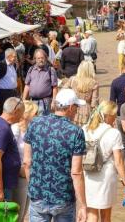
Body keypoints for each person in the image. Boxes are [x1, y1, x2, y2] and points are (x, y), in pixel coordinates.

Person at [24, 89, 88, 221]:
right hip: (63, 197)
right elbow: (76, 172)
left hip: (38, 195)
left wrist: (34, 187)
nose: (77, 110)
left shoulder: (35, 124)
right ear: (70, 107)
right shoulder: (76, 132)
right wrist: (83, 205)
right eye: (76, 107)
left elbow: (27, 162)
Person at [83, 101, 125, 222]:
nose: (115, 118)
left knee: (91, 214)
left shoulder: (84, 129)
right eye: (114, 115)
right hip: (106, 175)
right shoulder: (113, 133)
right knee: (105, 216)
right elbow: (118, 162)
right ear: (108, 115)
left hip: (88, 174)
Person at [11, 101, 39, 222]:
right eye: (35, 113)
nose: (37, 116)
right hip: (19, 175)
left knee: (23, 213)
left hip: (29, 174)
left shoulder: (31, 130)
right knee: (18, 212)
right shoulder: (15, 129)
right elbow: (10, 153)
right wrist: (20, 169)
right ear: (26, 115)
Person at [22, 49, 58, 116]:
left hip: (45, 102)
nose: (40, 60)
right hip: (32, 102)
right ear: (35, 59)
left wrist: (54, 101)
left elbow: (55, 87)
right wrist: (23, 100)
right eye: (38, 58)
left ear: (45, 58)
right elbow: (27, 85)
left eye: (42, 58)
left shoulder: (50, 70)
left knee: (43, 121)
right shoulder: (31, 69)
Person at [64, 61, 99, 127]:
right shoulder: (94, 83)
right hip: (86, 110)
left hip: (73, 108)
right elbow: (94, 103)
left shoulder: (72, 79)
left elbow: (63, 91)